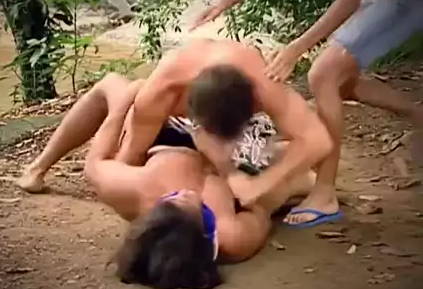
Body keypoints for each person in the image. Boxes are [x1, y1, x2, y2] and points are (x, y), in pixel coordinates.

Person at [16, 74, 314, 289]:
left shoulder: (136, 190)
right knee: (300, 163)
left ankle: (37, 168)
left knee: (112, 84)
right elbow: (262, 210)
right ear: (203, 232)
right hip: (231, 158)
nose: (184, 192)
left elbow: (95, 164)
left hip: (167, 139)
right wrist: (243, 181)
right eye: (186, 201)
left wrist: (124, 103)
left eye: (172, 198)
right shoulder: (233, 238)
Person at [191, 0, 423, 226]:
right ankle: (418, 114)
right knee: (342, 80)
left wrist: (295, 49)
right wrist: (222, 4)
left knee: (324, 75)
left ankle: (324, 194)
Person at [105, 37, 332, 210]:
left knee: (245, 196)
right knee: (193, 184)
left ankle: (295, 181)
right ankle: (275, 167)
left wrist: (261, 185)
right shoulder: (159, 94)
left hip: (243, 130)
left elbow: (318, 140)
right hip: (180, 128)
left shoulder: (261, 81)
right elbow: (128, 159)